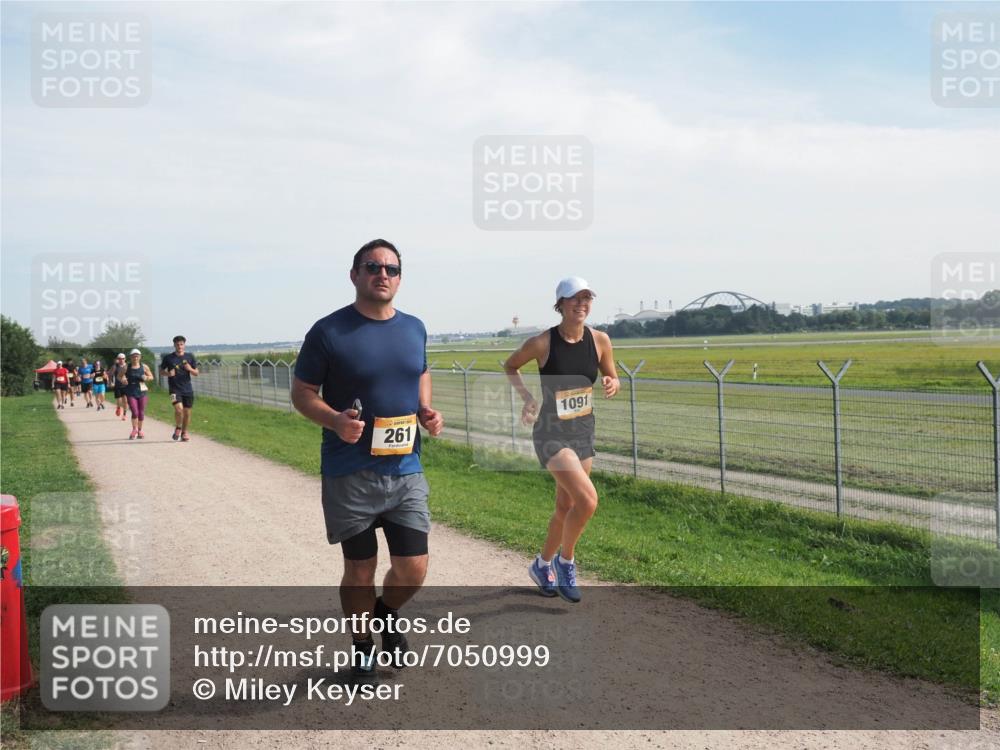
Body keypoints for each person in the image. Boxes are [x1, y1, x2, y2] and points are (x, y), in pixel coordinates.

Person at [291, 239, 443, 686]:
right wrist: (336, 421)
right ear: (354, 274)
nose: (383, 274)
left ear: (400, 277)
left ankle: (385, 611)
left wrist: (424, 409)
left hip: (405, 468)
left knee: (414, 567)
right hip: (349, 473)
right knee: (360, 568)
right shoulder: (328, 331)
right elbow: (302, 393)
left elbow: (421, 371)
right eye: (372, 266)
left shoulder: (414, 327)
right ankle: (361, 649)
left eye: (392, 268)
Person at [503, 277, 620, 603]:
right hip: (552, 435)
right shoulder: (543, 343)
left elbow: (612, 374)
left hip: (583, 431)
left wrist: (612, 383)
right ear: (561, 304)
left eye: (587, 299)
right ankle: (565, 561)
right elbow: (510, 365)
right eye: (574, 299)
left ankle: (542, 565)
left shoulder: (600, 340)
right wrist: (527, 397)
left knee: (565, 506)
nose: (581, 304)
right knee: (587, 501)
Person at [160, 335, 199, 442]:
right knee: (179, 409)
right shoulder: (168, 358)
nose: (179, 346)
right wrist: (168, 373)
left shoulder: (190, 357)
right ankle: (178, 427)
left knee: (187, 413)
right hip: (174, 389)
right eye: (177, 344)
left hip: (187, 389)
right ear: (174, 345)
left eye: (181, 344)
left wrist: (190, 368)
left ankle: (184, 432)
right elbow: (160, 371)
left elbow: (196, 373)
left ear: (184, 345)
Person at [122, 349, 153, 439]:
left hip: (142, 391)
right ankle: (134, 429)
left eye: (137, 356)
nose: (135, 357)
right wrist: (123, 379)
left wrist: (147, 377)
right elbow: (120, 376)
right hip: (131, 391)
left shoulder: (144, 367)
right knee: (135, 411)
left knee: (141, 412)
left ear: (140, 357)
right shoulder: (126, 367)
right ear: (131, 357)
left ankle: (140, 430)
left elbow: (151, 376)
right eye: (133, 356)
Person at [111, 353, 129, 420]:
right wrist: (111, 382)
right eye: (120, 359)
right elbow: (111, 374)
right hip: (118, 385)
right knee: (119, 400)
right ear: (117, 359)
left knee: (125, 401)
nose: (121, 360)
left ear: (125, 359)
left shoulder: (127, 366)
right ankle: (118, 408)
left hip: (126, 386)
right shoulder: (115, 366)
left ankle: (124, 415)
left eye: (123, 359)